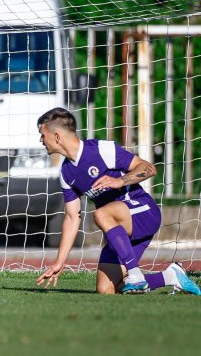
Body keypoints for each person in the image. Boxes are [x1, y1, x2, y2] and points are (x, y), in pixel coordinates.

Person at [35, 107, 200, 295]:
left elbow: (149, 168)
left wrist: (120, 181)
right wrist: (59, 261)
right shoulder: (66, 173)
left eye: (42, 135)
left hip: (143, 212)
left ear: (56, 136)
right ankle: (171, 276)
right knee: (107, 289)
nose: (41, 140)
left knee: (101, 213)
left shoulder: (101, 149)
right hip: (117, 229)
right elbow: (72, 218)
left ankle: (135, 275)